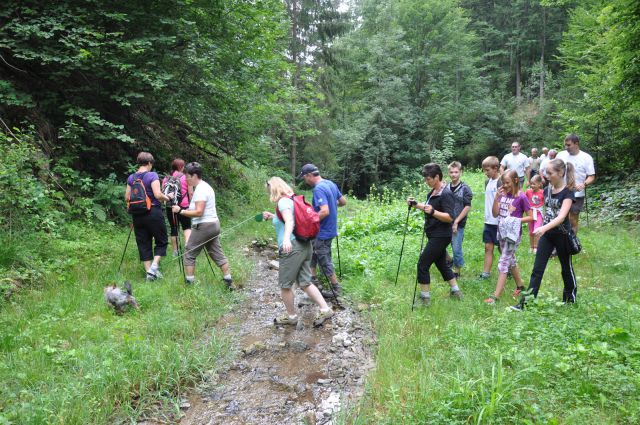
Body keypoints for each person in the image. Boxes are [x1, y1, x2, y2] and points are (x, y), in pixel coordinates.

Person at [262, 177, 334, 326]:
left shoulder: (282, 202)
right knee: (305, 282)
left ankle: (291, 316)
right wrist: (273, 216)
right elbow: (290, 218)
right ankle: (325, 309)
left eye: (269, 189)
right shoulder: (292, 199)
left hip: (292, 247)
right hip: (304, 245)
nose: (268, 192)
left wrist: (287, 239)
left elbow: (290, 221)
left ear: (273, 188)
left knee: (285, 285)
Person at [511, 159, 578, 311]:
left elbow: (561, 217)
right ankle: (525, 303)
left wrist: (542, 228)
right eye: (545, 172)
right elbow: (543, 208)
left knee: (566, 268)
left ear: (560, 173)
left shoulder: (568, 192)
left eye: (550, 173)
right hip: (548, 235)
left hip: (562, 234)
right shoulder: (547, 189)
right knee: (537, 269)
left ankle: (570, 299)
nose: (546, 176)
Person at [407, 163, 463, 307]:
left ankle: (425, 299)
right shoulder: (432, 192)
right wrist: (415, 204)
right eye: (425, 179)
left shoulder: (446, 193)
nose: (427, 182)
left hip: (441, 235)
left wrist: (433, 212)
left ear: (437, 177)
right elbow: (428, 208)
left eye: (429, 179)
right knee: (442, 265)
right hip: (434, 234)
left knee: (422, 264)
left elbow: (450, 217)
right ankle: (456, 292)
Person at [171, 162, 234, 288]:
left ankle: (190, 284)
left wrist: (181, 211)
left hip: (204, 226)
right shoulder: (205, 186)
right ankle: (228, 281)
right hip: (213, 225)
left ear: (194, 175)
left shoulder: (200, 190)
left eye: (187, 176)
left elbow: (199, 212)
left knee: (189, 252)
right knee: (216, 252)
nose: (186, 179)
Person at [298, 164, 347, 298]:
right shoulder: (330, 183)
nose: (305, 181)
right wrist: (332, 203)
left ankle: (336, 289)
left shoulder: (318, 188)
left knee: (324, 259)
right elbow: (343, 202)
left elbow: (324, 211)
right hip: (329, 229)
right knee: (314, 254)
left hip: (323, 231)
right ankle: (314, 281)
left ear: (309, 175)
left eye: (304, 178)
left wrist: (310, 222)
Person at [484, 170, 532, 304]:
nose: (504, 185)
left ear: (516, 180)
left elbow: (531, 217)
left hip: (513, 236)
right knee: (511, 260)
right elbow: (495, 214)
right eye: (503, 183)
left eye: (507, 183)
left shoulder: (521, 197)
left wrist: (516, 220)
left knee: (504, 262)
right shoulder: (503, 195)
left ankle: (495, 297)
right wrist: (496, 198)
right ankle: (521, 286)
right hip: (501, 233)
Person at [125, 152, 171, 281]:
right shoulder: (152, 175)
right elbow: (157, 195)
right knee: (162, 241)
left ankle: (148, 273)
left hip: (137, 215)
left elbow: (127, 197)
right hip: (153, 213)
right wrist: (167, 197)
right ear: (150, 163)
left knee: (143, 242)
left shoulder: (131, 177)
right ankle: (154, 268)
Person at [556, 134, 596, 235]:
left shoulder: (586, 157)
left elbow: (591, 176)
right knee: (559, 218)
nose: (566, 147)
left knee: (573, 219)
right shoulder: (561, 155)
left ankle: (572, 244)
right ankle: (559, 244)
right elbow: (553, 170)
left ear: (576, 144)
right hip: (561, 192)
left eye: (568, 145)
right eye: (565, 145)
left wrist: (584, 184)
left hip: (577, 194)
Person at [446, 161, 473, 278]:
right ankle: (449, 260)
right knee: (439, 246)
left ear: (460, 173)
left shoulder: (465, 188)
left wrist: (456, 222)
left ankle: (456, 272)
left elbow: (467, 207)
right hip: (445, 221)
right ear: (448, 173)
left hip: (459, 223)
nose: (454, 174)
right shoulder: (445, 187)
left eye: (456, 172)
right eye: (451, 172)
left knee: (456, 249)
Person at [162, 158, 192, 256]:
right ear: (181, 167)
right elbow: (190, 193)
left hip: (170, 206)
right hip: (183, 206)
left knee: (173, 228)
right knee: (187, 227)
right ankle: (188, 249)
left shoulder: (166, 178)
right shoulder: (185, 177)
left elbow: (163, 194)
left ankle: (175, 251)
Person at [479, 156, 502, 279]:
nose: (486, 173)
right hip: (488, 221)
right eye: (485, 170)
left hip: (500, 222)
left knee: (502, 248)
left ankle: (508, 268)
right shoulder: (487, 182)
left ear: (496, 168)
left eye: (487, 170)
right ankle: (485, 273)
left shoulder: (501, 182)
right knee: (488, 247)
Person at [525, 175, 544, 253]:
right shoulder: (528, 192)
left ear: (539, 184)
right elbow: (524, 200)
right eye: (531, 184)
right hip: (531, 214)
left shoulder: (543, 192)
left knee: (536, 230)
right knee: (531, 231)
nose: (532, 185)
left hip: (539, 213)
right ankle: (531, 246)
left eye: (534, 184)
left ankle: (536, 247)